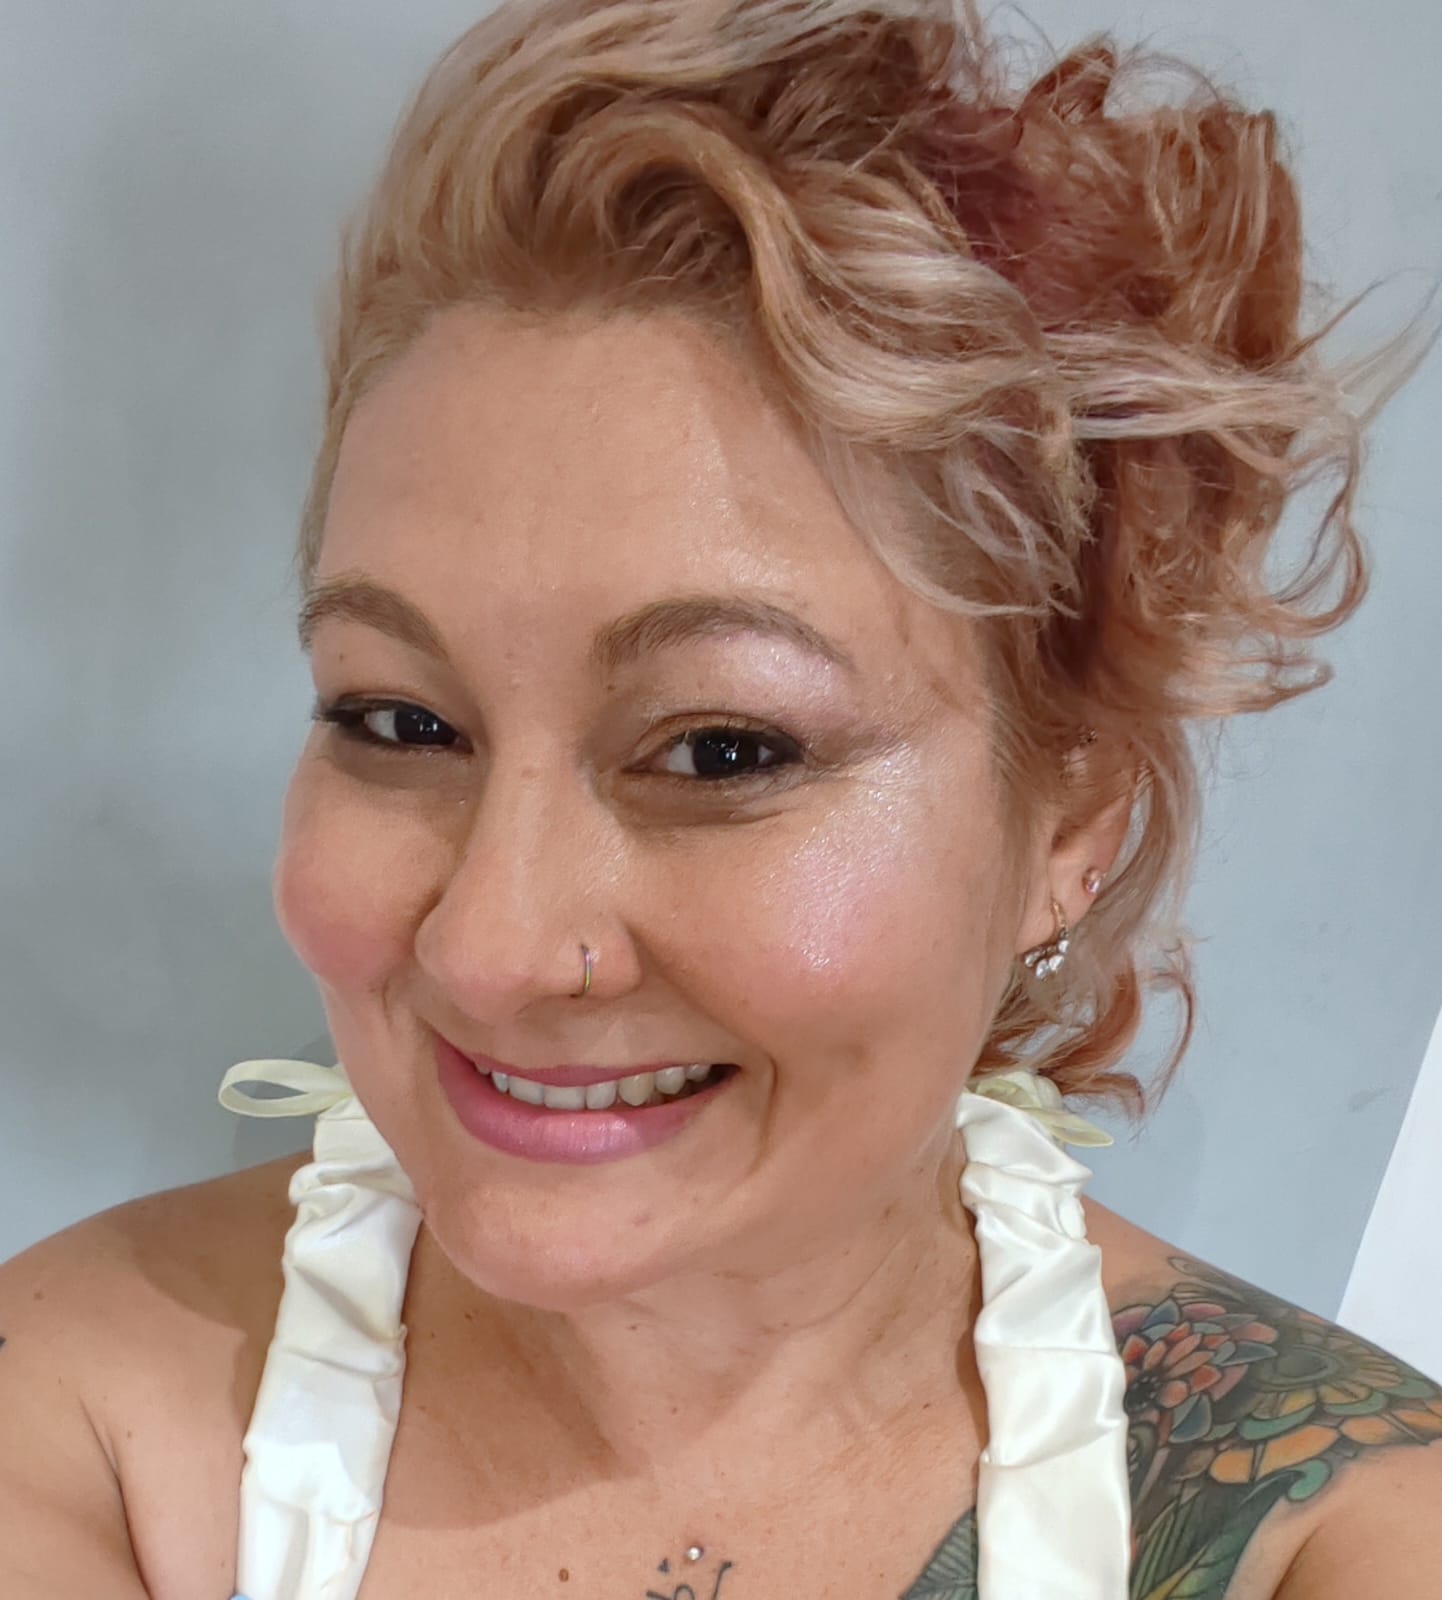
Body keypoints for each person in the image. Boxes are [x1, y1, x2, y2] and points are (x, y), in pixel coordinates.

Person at [2, 1, 1438, 1595]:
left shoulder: (1322, 1531)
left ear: (1069, 827)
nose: (487, 948)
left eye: (721, 751)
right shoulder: (76, 1419)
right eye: (400, 720)